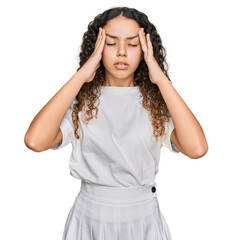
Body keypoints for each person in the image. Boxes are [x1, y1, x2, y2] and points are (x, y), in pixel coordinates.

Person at [24, 6, 208, 240]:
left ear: (144, 50)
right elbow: (35, 140)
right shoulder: (82, 104)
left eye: (132, 44)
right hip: (89, 218)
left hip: (143, 220)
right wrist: (82, 75)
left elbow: (197, 148)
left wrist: (159, 78)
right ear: (97, 49)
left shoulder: (155, 106)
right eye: (111, 43)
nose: (122, 52)